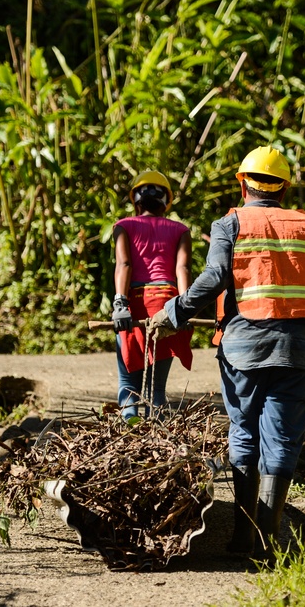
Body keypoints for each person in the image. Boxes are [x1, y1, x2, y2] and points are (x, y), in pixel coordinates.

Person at [148, 146, 305, 558]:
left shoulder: (230, 223)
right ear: (283, 187)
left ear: (242, 182)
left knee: (244, 434)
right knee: (281, 441)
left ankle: (242, 540)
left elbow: (214, 277)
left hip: (242, 352)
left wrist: (174, 312)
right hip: (294, 353)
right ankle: (268, 545)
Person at [111, 170, 193, 421]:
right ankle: (157, 434)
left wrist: (120, 302)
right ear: (165, 201)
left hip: (134, 303)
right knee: (156, 388)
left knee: (128, 381)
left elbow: (124, 265)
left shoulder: (123, 226)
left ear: (136, 200)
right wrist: (184, 307)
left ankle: (130, 428)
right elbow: (182, 269)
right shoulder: (180, 229)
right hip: (167, 304)